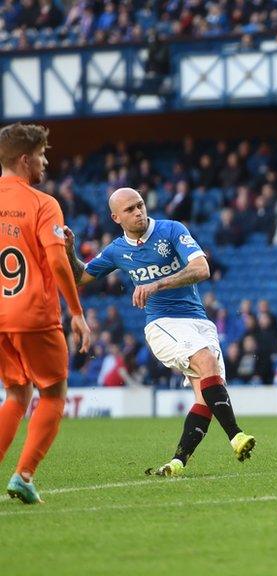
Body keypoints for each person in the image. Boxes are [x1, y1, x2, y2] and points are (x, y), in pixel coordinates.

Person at [64, 187, 256, 477]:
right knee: (205, 361)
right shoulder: (117, 250)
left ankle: (178, 462)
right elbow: (80, 277)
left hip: (199, 321)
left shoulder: (170, 230)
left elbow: (202, 268)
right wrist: (69, 250)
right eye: (129, 209)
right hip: (162, 323)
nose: (138, 211)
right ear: (116, 217)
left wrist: (158, 283)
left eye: (140, 205)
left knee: (205, 396)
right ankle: (236, 436)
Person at [0, 123, 92, 504]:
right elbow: (56, 261)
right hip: (34, 314)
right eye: (41, 154)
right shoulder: (42, 202)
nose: (45, 161)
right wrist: (76, 311)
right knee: (53, 393)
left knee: (17, 393)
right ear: (25, 159)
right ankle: (24, 475)